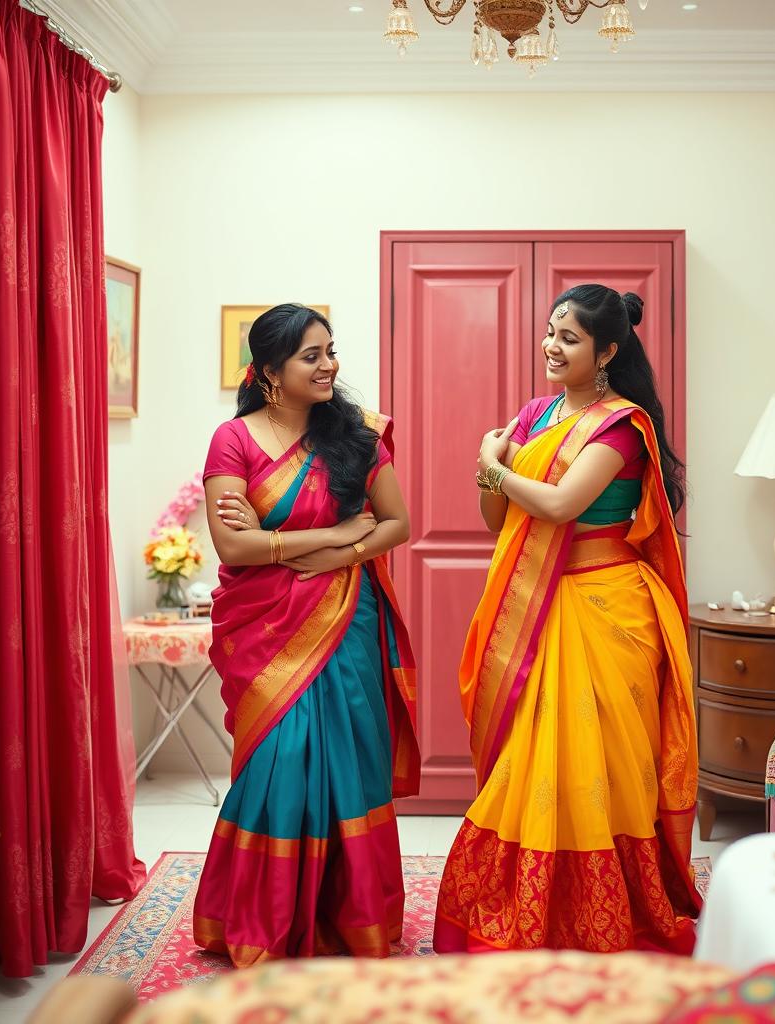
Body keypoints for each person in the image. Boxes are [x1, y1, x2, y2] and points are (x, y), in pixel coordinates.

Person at [433, 284, 701, 954]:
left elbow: (558, 506)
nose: (552, 346)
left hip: (605, 607)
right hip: (538, 604)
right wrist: (488, 480)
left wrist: (491, 463)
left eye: (570, 338)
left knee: (599, 762)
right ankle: (525, 905)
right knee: (532, 757)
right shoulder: (535, 414)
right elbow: (502, 522)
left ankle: (609, 911)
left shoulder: (621, 426)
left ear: (606, 351)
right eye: (551, 331)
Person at [193, 303, 419, 965]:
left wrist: (328, 556)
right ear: (270, 372)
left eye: (330, 351)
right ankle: (265, 920)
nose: (330, 366)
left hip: (347, 619)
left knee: (350, 761)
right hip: (263, 630)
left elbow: (396, 524)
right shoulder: (232, 442)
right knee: (279, 763)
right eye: (311, 356)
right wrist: (340, 533)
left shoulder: (357, 436)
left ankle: (350, 918)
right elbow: (233, 546)